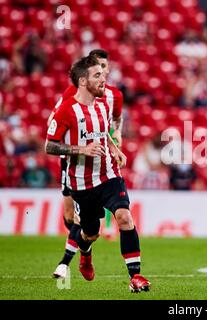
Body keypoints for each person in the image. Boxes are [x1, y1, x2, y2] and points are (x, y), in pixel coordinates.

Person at [45, 55, 150, 292]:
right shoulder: (66, 110)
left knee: (124, 216)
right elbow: (49, 145)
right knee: (90, 233)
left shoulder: (103, 105)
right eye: (97, 75)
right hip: (81, 183)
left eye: (103, 74)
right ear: (83, 81)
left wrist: (115, 149)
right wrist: (80, 149)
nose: (104, 79)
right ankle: (85, 253)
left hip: (109, 175)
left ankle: (135, 277)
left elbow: (103, 135)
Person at [49, 49, 123, 279]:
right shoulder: (74, 94)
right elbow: (56, 123)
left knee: (88, 217)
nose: (101, 72)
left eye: (103, 67)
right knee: (70, 217)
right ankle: (84, 249)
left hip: (99, 160)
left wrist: (116, 139)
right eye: (96, 68)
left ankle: (65, 263)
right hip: (72, 160)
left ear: (107, 69)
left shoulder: (113, 97)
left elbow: (114, 121)